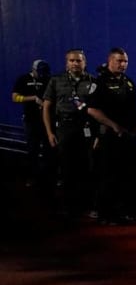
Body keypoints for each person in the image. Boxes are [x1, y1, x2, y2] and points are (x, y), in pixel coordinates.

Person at [86, 48, 136, 225]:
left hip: (128, 136)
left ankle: (130, 211)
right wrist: (112, 125)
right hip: (109, 136)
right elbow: (92, 109)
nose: (122, 64)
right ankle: (106, 214)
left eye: (125, 61)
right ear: (110, 61)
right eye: (119, 61)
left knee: (130, 175)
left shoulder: (129, 82)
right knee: (109, 176)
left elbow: (132, 109)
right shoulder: (100, 82)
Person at [41, 49, 95, 220]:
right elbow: (47, 107)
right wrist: (50, 132)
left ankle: (87, 205)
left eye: (78, 61)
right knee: (66, 168)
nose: (75, 63)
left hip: (86, 128)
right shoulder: (56, 81)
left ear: (84, 62)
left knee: (87, 167)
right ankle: (68, 206)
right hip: (64, 127)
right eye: (71, 60)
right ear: (66, 63)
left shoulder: (93, 81)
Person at [12, 59, 52, 197]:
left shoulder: (47, 79)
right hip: (30, 120)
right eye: (39, 73)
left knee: (48, 149)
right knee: (32, 149)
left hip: (46, 120)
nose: (41, 76)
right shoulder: (23, 79)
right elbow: (15, 98)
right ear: (33, 70)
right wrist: (33, 98)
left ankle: (48, 177)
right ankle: (32, 177)